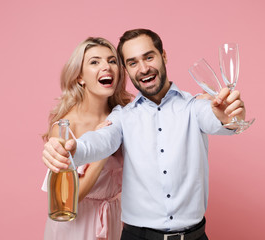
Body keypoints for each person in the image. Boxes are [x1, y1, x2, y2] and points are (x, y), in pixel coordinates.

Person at [42, 29, 247, 240]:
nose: (143, 68)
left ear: (163, 56)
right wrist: (74, 148)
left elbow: (217, 119)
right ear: (126, 70)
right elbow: (100, 139)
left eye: (149, 57)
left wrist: (228, 116)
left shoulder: (194, 107)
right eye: (132, 63)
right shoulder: (122, 116)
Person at [41, 37, 132, 240]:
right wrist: (104, 150)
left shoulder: (124, 116)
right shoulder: (66, 128)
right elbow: (68, 199)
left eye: (112, 61)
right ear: (80, 77)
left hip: (115, 220)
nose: (106, 67)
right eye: (94, 62)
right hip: (76, 227)